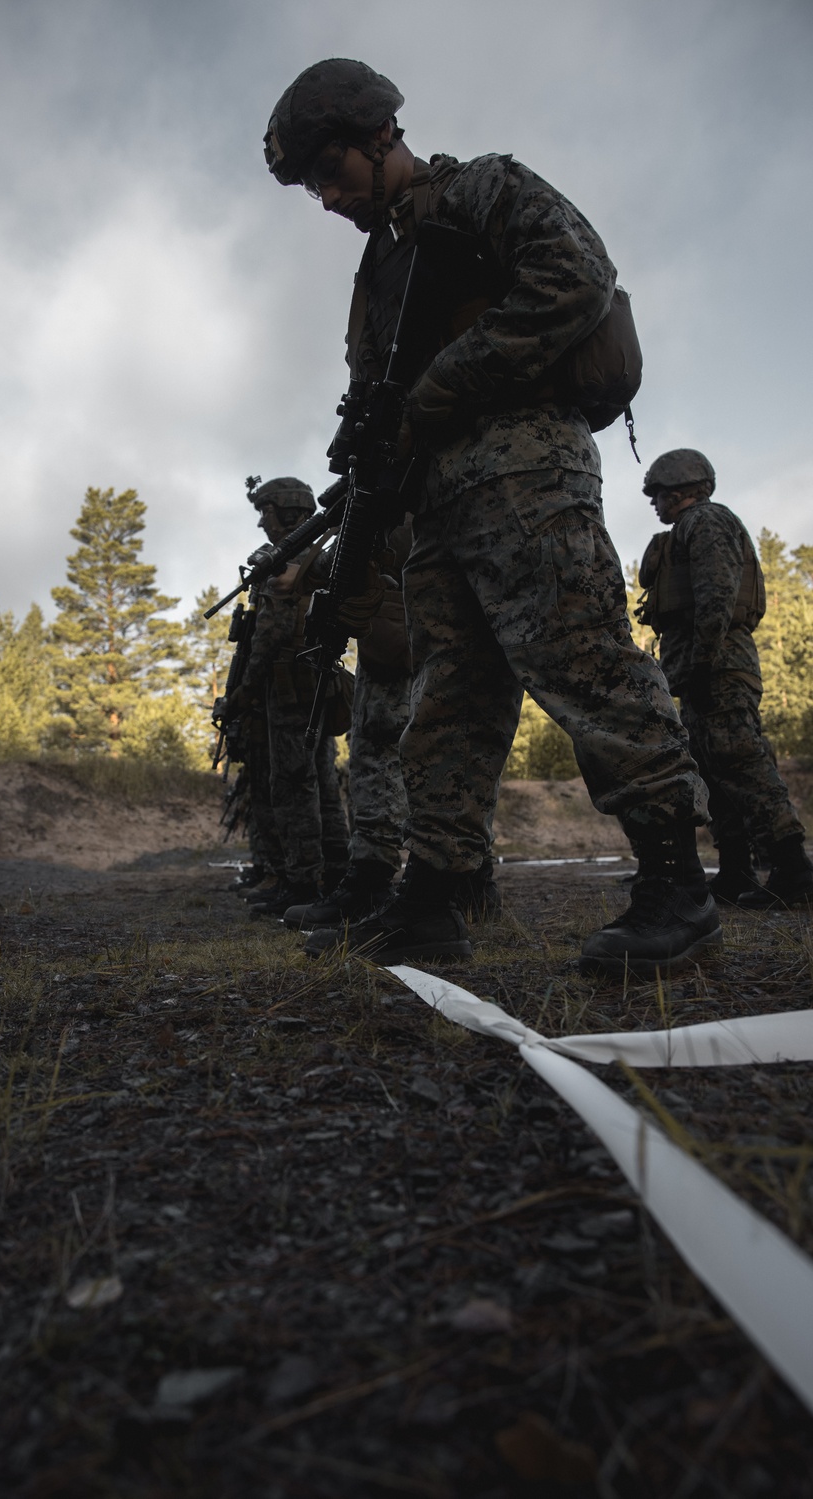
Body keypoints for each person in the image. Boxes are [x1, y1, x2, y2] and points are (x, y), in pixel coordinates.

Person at [264, 57, 717, 976]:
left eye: (328, 171)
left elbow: (577, 273)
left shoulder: (480, 190)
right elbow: (380, 402)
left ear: (374, 134)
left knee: (583, 664)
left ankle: (678, 885)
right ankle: (438, 892)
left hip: (525, 474)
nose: (323, 196)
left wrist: (438, 387)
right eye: (311, 182)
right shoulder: (376, 268)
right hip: (438, 508)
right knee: (447, 703)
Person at [638, 449, 812, 908]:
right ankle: (736, 871)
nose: (654, 504)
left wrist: (701, 660)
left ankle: (794, 869)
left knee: (741, 762)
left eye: (657, 494)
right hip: (703, 667)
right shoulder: (689, 528)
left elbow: (716, 593)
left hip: (716, 665)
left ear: (678, 489)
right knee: (714, 772)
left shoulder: (706, 521)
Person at [222, 477, 350, 915]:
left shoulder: (277, 564)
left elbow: (270, 634)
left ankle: (301, 883)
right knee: (323, 784)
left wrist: (244, 690)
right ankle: (336, 873)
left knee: (292, 785)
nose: (261, 523)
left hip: (288, 685)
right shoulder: (324, 558)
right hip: (319, 682)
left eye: (266, 512)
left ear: (284, 510)